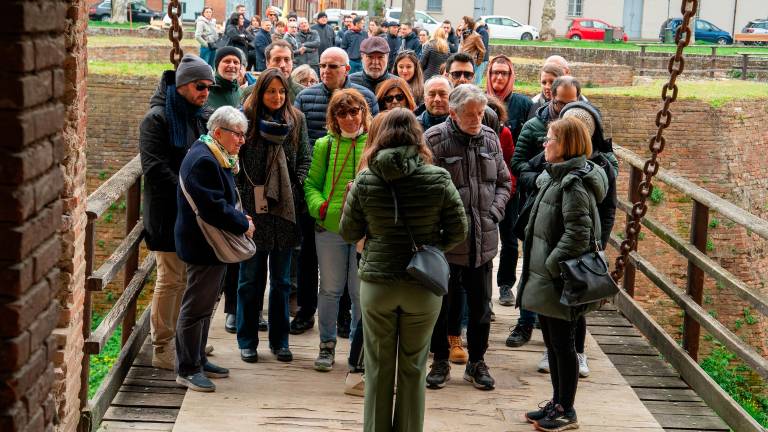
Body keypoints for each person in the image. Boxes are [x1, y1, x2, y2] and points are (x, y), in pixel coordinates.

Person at [339, 108, 467, 432]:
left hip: (378, 283)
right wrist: (430, 248)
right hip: (422, 286)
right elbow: (459, 229)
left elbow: (349, 232)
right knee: (413, 367)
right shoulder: (437, 178)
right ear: (417, 135)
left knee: (378, 368)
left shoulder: (367, 179)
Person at [518, 117, 608, 431]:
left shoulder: (573, 185)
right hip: (546, 278)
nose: (544, 143)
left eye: (550, 139)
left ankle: (566, 410)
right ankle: (556, 402)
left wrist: (550, 265)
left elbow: (578, 235)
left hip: (558, 279)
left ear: (565, 145)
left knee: (563, 344)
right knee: (554, 344)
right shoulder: (554, 177)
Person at [424, 84, 511, 391]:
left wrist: (493, 213)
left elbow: (504, 182)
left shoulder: (489, 137)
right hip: (447, 244)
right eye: (470, 114)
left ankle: (477, 362)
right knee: (441, 307)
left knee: (481, 308)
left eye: (480, 113)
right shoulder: (434, 139)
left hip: (483, 241)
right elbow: (425, 190)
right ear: (453, 113)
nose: (477, 119)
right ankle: (440, 361)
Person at [290, 48, 378, 337]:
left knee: (356, 286)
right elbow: (301, 145)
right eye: (323, 65)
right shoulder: (305, 97)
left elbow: (373, 136)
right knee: (313, 266)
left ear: (346, 68)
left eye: (333, 66)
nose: (326, 70)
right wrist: (320, 206)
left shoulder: (366, 98)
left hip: (363, 221)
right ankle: (307, 313)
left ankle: (347, 326)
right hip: (325, 202)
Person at [140, 54, 215, 371]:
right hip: (168, 212)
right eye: (200, 86)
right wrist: (190, 192)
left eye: (209, 87)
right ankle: (162, 348)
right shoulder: (157, 119)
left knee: (188, 280)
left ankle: (187, 344)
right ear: (183, 85)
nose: (205, 92)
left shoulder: (197, 116)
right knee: (171, 279)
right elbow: (155, 169)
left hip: (191, 213)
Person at [174, 105, 255, 392]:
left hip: (208, 243)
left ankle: (198, 359)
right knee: (196, 308)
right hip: (202, 244)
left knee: (205, 307)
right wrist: (242, 223)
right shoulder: (204, 160)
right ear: (218, 132)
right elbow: (213, 207)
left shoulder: (213, 154)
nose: (242, 140)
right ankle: (187, 368)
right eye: (238, 134)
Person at [236, 68, 311, 364]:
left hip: (285, 211)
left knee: (281, 281)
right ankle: (247, 340)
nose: (277, 97)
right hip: (253, 211)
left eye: (281, 91)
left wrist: (296, 186)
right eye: (271, 91)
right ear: (260, 92)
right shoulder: (245, 121)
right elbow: (235, 161)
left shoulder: (297, 120)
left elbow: (305, 156)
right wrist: (242, 202)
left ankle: (280, 342)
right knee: (250, 279)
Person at [507, 76, 581, 351]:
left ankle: (562, 335)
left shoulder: (581, 127)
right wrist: (539, 180)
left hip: (564, 208)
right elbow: (518, 163)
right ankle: (526, 321)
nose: (560, 107)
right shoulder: (534, 126)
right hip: (538, 206)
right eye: (557, 101)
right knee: (530, 267)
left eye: (567, 103)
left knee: (562, 276)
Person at [304, 89, 372, 372]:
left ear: (363, 112)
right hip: (330, 227)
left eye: (354, 111)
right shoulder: (324, 145)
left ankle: (358, 351)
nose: (349, 118)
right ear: (334, 117)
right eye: (341, 113)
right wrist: (322, 209)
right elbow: (311, 185)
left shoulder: (373, 143)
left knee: (359, 293)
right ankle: (326, 345)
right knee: (330, 289)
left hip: (364, 231)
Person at [474, 19, 490, 85]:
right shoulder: (481, 31)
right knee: (476, 77)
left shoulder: (483, 32)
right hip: (480, 58)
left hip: (482, 59)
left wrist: (479, 59)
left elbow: (483, 47)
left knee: (477, 79)